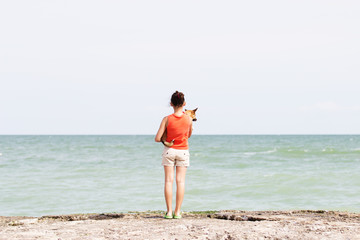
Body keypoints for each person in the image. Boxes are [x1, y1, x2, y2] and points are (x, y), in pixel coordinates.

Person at [155, 91, 193, 219]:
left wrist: (166, 141)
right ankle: (177, 212)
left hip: (169, 151)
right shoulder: (189, 119)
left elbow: (157, 138)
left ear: (171, 104)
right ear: (184, 103)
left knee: (168, 181)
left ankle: (169, 212)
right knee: (180, 182)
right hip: (183, 151)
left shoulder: (167, 119)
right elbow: (188, 135)